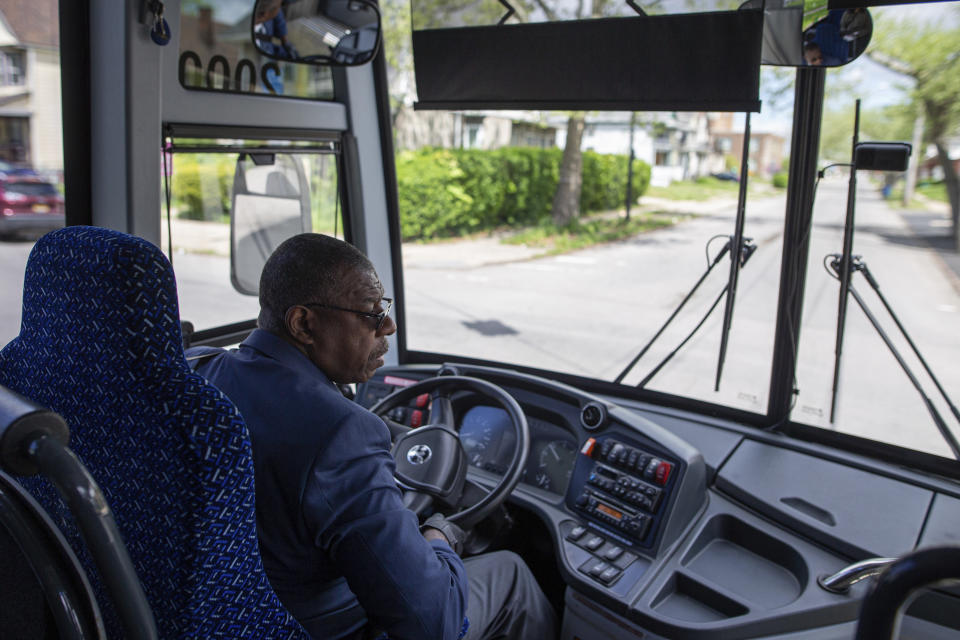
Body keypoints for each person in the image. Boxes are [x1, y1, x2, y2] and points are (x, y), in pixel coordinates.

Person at [190, 233, 556, 640]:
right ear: (303, 324)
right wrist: (438, 536)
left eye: (385, 308)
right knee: (512, 573)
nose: (389, 325)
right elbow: (433, 626)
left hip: (221, 619)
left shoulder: (199, 371)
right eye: (370, 312)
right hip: (323, 629)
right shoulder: (343, 433)